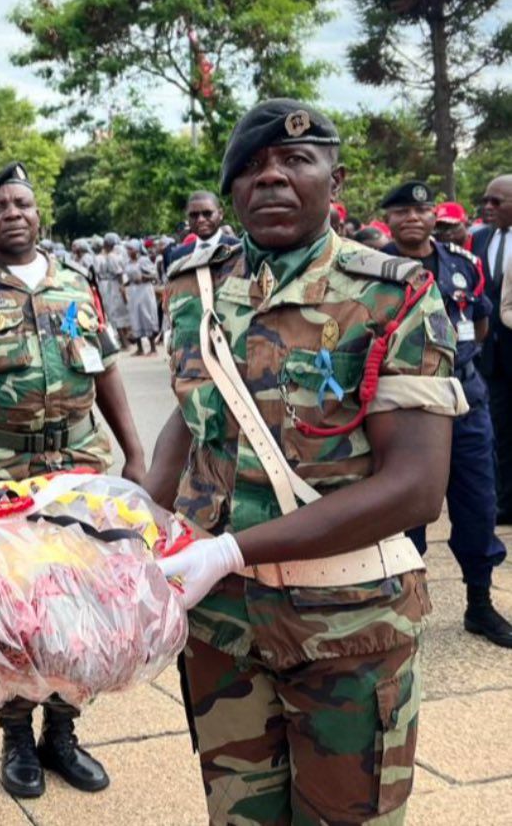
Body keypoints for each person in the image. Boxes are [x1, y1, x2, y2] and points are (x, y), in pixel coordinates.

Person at [146, 99, 465, 825]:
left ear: (335, 177)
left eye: (296, 160)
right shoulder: (199, 286)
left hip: (347, 627)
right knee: (239, 817)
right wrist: (143, 516)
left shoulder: (392, 293)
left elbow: (415, 489)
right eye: (253, 167)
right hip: (222, 627)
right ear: (231, 190)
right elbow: (197, 412)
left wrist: (228, 549)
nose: (273, 179)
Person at [0, 162, 147, 801]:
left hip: (80, 469)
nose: (13, 213)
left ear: (39, 213)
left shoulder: (77, 281)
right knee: (12, 609)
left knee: (80, 605)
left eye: (23, 203)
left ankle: (63, 731)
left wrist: (136, 453)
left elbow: (105, 370)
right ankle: (16, 733)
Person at [380, 180, 512, 646]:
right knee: (406, 506)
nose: (413, 218)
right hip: (407, 402)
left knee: (477, 499)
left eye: (422, 210)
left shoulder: (465, 264)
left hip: (464, 395)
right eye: (402, 212)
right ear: (388, 221)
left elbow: (478, 321)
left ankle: (479, 603)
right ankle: (405, 605)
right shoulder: (374, 270)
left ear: (435, 217)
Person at [472, 175, 512, 525]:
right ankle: (505, 502)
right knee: (499, 429)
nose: (488, 208)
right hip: (493, 356)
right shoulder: (480, 239)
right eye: (486, 201)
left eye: (496, 202)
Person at [162, 191, 240, 272]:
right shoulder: (177, 256)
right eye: (194, 215)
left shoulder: (239, 250)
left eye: (207, 213)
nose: (200, 220)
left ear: (220, 214)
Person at [124, 239, 160, 354]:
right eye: (128, 249)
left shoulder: (143, 260)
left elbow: (154, 275)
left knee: (146, 316)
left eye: (131, 249)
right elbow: (129, 277)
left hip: (144, 291)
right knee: (135, 317)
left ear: (137, 249)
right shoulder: (129, 262)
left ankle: (153, 347)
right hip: (133, 292)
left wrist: (143, 277)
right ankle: (140, 348)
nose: (129, 251)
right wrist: (124, 285)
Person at [94, 234, 130, 345]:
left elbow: (117, 272)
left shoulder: (108, 257)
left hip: (110, 286)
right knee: (116, 312)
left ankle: (124, 341)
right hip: (113, 285)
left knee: (114, 313)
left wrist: (122, 287)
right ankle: (124, 340)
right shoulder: (114, 255)